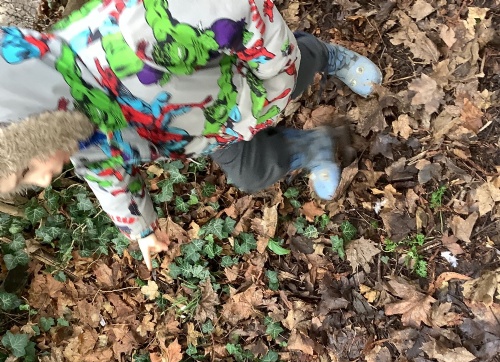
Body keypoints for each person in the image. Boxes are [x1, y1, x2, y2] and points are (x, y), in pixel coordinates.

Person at [0, 0, 382, 270]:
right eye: (24, 183)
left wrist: (275, 78)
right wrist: (141, 229)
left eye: (27, 170)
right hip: (211, 130)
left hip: (244, 82)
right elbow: (108, 177)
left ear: (32, 128)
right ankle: (313, 146)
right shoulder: (76, 136)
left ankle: (327, 55)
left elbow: (234, 8)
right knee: (250, 172)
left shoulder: (129, 35)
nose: (43, 181)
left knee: (299, 70)